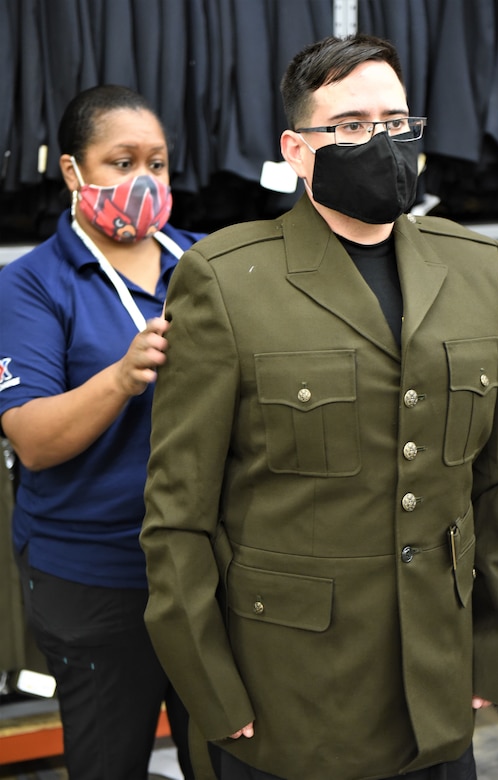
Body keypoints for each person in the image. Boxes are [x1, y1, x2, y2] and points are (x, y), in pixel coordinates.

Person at [140, 35, 498, 780]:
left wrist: (497, 653)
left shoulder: (476, 268)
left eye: (395, 121)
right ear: (296, 147)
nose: (379, 143)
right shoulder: (226, 280)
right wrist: (214, 699)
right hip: (290, 701)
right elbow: (176, 519)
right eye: (349, 125)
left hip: (438, 698)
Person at [0, 84, 205, 780]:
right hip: (95, 580)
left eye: (159, 163)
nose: (144, 181)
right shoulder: (32, 285)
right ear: (71, 172)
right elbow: (31, 437)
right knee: (109, 760)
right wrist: (119, 378)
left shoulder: (206, 267)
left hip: (208, 570)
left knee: (222, 755)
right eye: (121, 163)